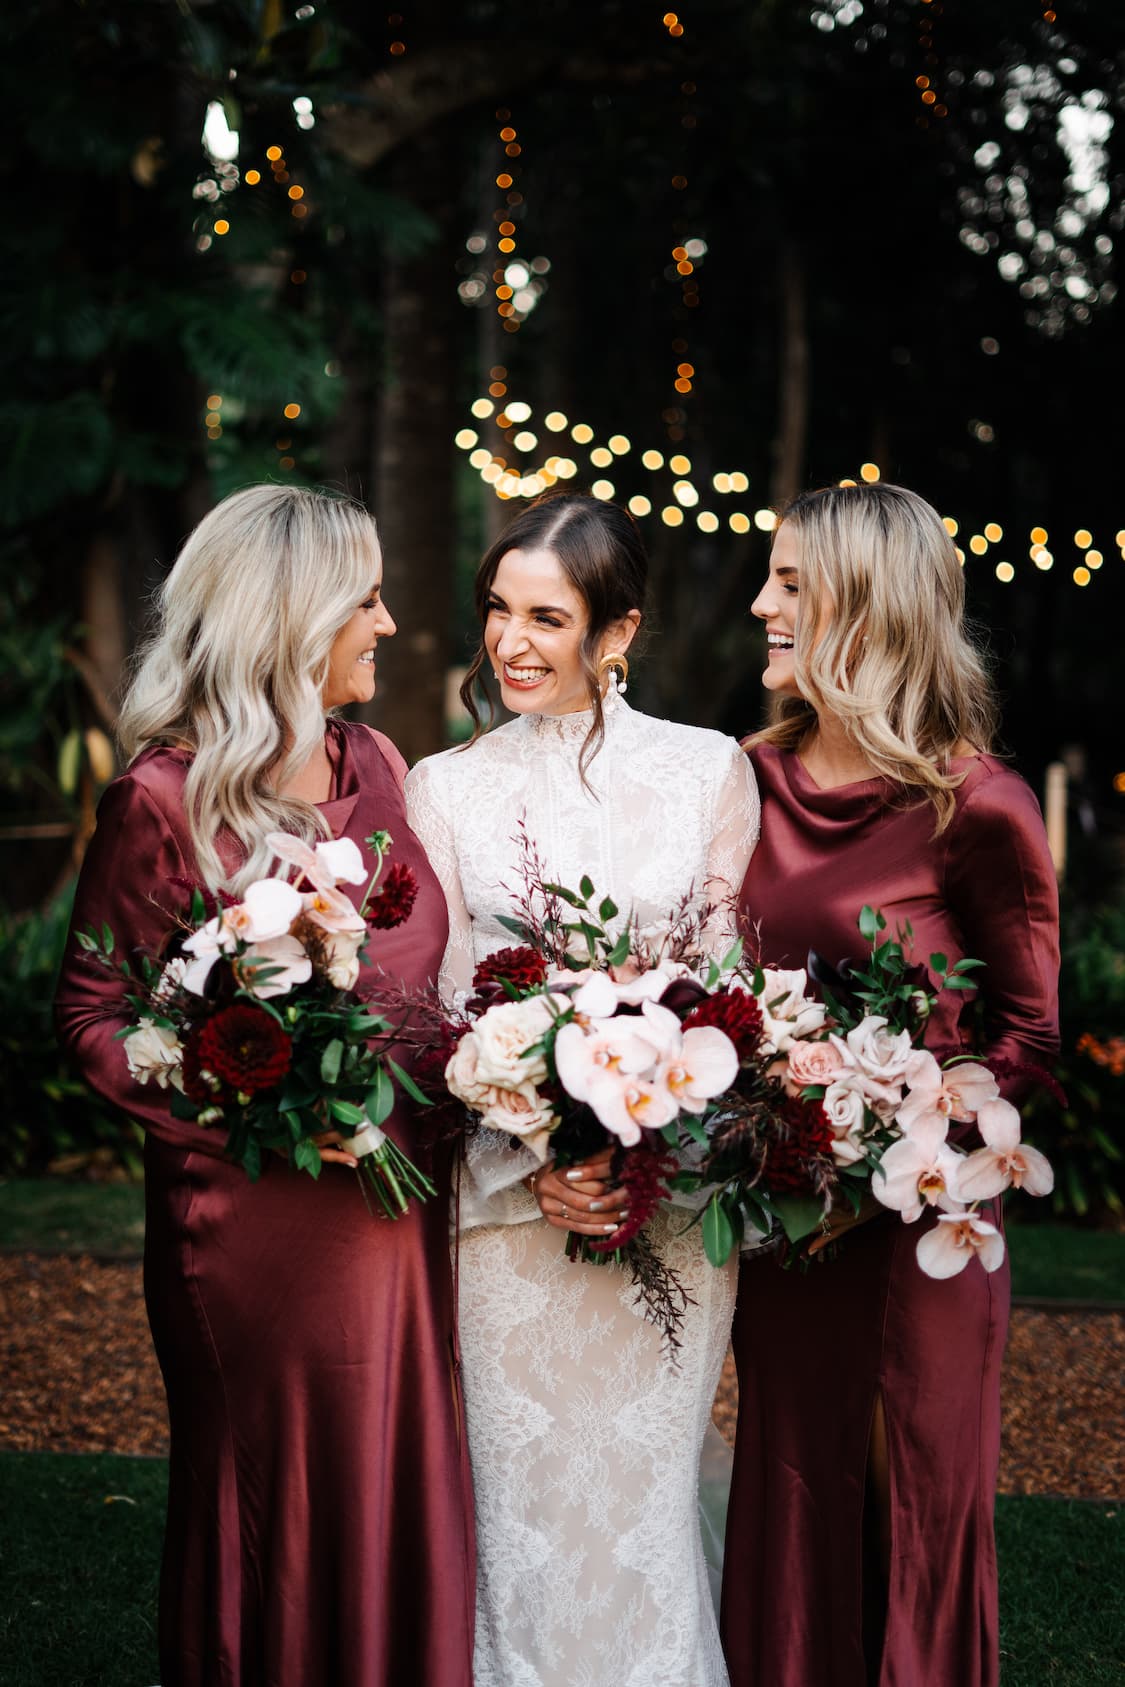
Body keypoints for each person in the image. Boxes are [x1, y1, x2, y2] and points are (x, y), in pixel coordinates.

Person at [55, 484, 474, 1687]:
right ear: (291, 619)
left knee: (395, 1486)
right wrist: (262, 1102)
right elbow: (93, 1015)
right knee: (273, 1506)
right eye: (368, 599)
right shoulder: (162, 800)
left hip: (396, 1214)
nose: (389, 625)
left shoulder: (381, 761)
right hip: (253, 1229)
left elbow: (418, 981)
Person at [404, 491, 760, 1687]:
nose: (510, 640)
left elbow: (726, 1001)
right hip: (510, 1224)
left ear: (617, 633)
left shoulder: (712, 771)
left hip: (663, 1211)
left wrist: (641, 1144)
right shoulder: (441, 787)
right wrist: (533, 1154)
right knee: (524, 1527)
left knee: (638, 1520)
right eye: (498, 610)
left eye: (547, 617)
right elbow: (444, 1017)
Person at [722, 482, 1060, 1687]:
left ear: (868, 606)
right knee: (792, 1494)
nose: (762, 602)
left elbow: (1028, 1038)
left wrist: (907, 1128)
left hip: (924, 1235)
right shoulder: (746, 784)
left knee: (908, 1510)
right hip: (788, 1233)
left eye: (793, 583)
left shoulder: (977, 806)